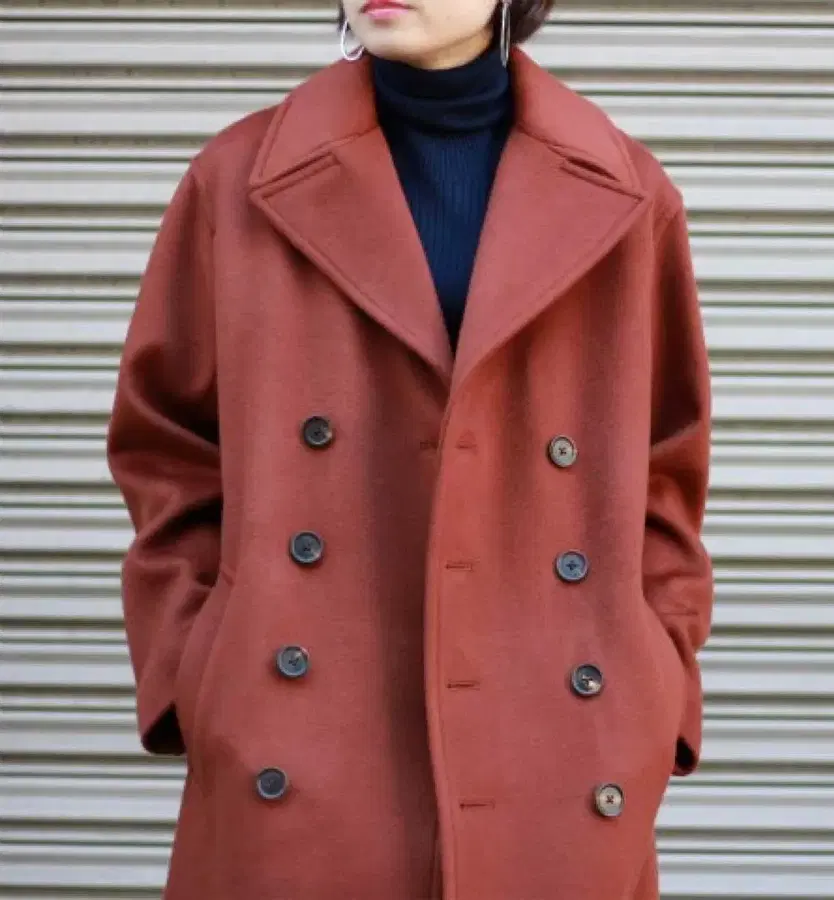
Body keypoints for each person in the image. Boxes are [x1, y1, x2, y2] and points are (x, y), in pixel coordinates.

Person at [105, 0, 715, 897]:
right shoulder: (237, 179)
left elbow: (668, 469)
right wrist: (198, 670)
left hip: (557, 743)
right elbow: (166, 447)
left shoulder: (626, 192)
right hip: (299, 741)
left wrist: (654, 682)